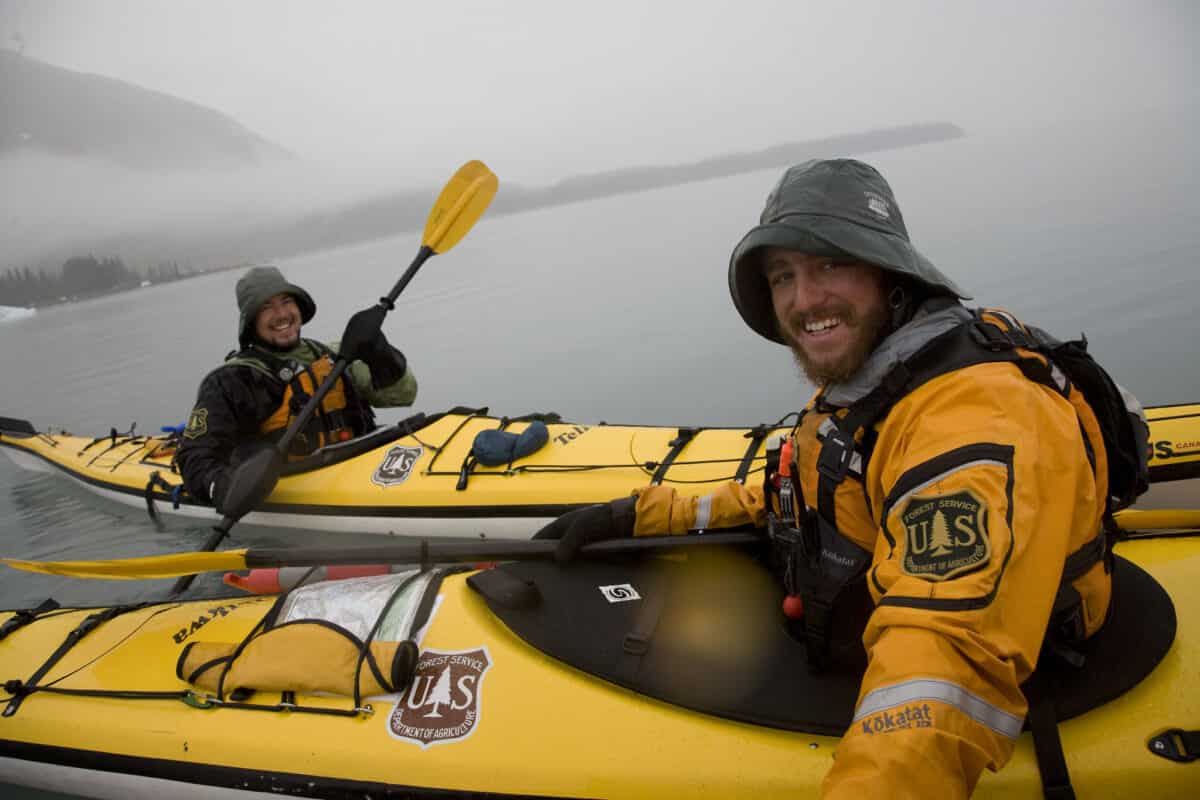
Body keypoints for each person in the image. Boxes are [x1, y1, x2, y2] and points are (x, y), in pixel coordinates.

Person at [534, 159, 1146, 798]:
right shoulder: (871, 379)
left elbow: (941, 668)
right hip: (856, 626)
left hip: (1013, 675)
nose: (805, 301)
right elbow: (794, 494)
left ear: (890, 276)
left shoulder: (974, 417)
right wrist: (643, 515)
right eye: (784, 277)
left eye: (831, 264)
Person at [177, 265, 417, 512]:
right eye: (266, 307)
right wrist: (221, 487)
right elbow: (195, 457)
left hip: (363, 467)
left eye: (286, 301)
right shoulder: (231, 381)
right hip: (291, 489)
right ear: (251, 321)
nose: (281, 314)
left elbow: (403, 395)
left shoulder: (338, 354)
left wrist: (381, 353)